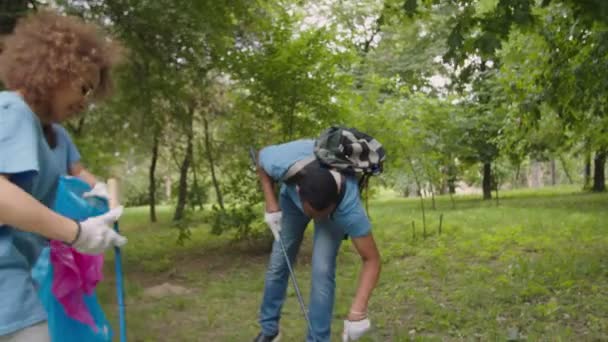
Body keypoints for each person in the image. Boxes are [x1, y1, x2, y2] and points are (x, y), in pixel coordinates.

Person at [0, 10, 126, 341]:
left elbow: (77, 172)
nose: (85, 103)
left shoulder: (49, 131)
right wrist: (76, 232)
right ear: (53, 70)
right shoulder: (13, 112)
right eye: (83, 88)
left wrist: (101, 193)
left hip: (15, 278)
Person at [253, 138, 381, 342]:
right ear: (299, 191)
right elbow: (260, 156)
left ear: (333, 205)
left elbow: (372, 259)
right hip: (292, 204)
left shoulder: (349, 209)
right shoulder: (282, 162)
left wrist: (358, 312)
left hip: (332, 213)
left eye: (321, 214)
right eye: (312, 213)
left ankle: (317, 339)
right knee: (279, 261)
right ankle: (270, 329)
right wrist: (271, 202)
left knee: (322, 271)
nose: (315, 219)